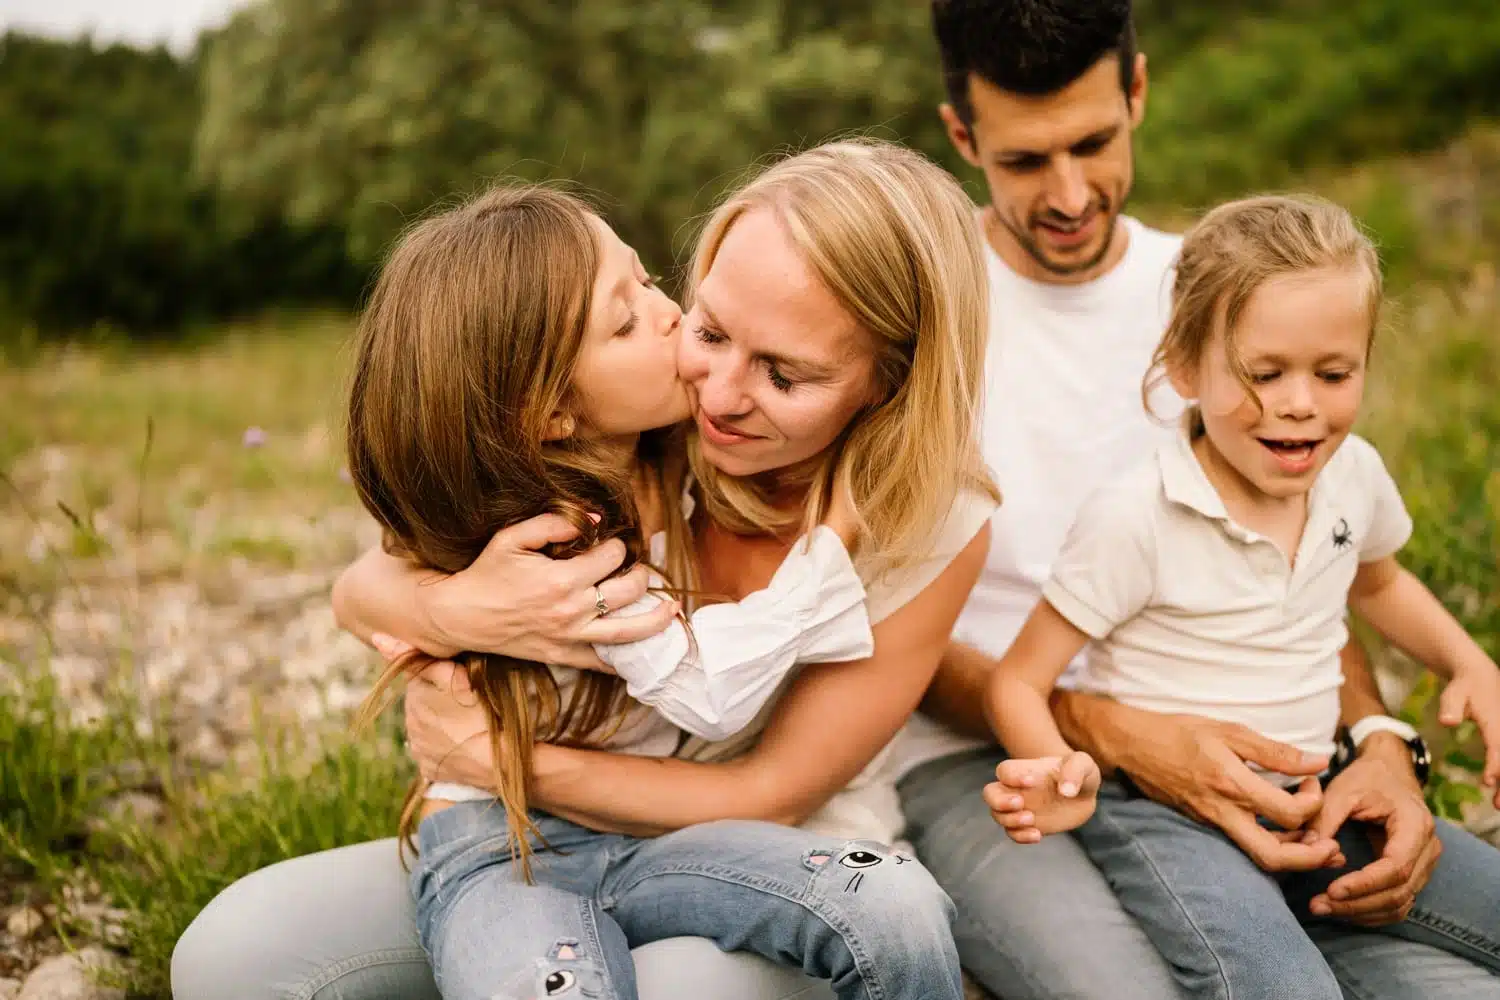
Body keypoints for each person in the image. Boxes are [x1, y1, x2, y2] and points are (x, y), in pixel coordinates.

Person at [171, 138, 1002, 1000]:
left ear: (888, 381)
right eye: (709, 325)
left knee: (699, 980)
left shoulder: (928, 524)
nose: (715, 387)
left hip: (727, 837)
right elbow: (363, 589)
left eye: (784, 374)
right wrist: (464, 611)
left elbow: (773, 788)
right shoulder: (641, 437)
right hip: (513, 847)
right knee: (230, 958)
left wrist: (505, 760)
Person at [878, 4, 1499, 1000]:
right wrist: (1116, 732)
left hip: (1262, 755)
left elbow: (1302, 568)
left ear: (1138, 93)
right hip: (991, 762)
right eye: (1026, 161)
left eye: (1094, 143)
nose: (1071, 193)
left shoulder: (1239, 291)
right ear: (963, 138)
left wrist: (1380, 741)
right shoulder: (919, 325)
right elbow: (881, 625)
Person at [983, 192, 1500, 999]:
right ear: (1186, 366)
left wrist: (1472, 664)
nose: (1301, 402)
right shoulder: (1137, 515)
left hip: (1322, 791)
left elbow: (1382, 583)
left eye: (1335, 373)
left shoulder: (1351, 474)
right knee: (1275, 981)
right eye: (1265, 373)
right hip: (1171, 813)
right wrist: (1056, 771)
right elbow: (1019, 677)